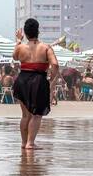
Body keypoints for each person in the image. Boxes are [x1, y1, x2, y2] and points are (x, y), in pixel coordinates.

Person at [12, 18, 59, 150]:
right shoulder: (45, 47)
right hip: (38, 80)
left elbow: (14, 57)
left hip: (22, 80)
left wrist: (18, 40)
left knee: (25, 115)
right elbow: (55, 64)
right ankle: (30, 143)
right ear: (38, 31)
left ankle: (23, 142)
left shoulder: (20, 47)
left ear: (25, 33)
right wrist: (52, 77)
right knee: (36, 114)